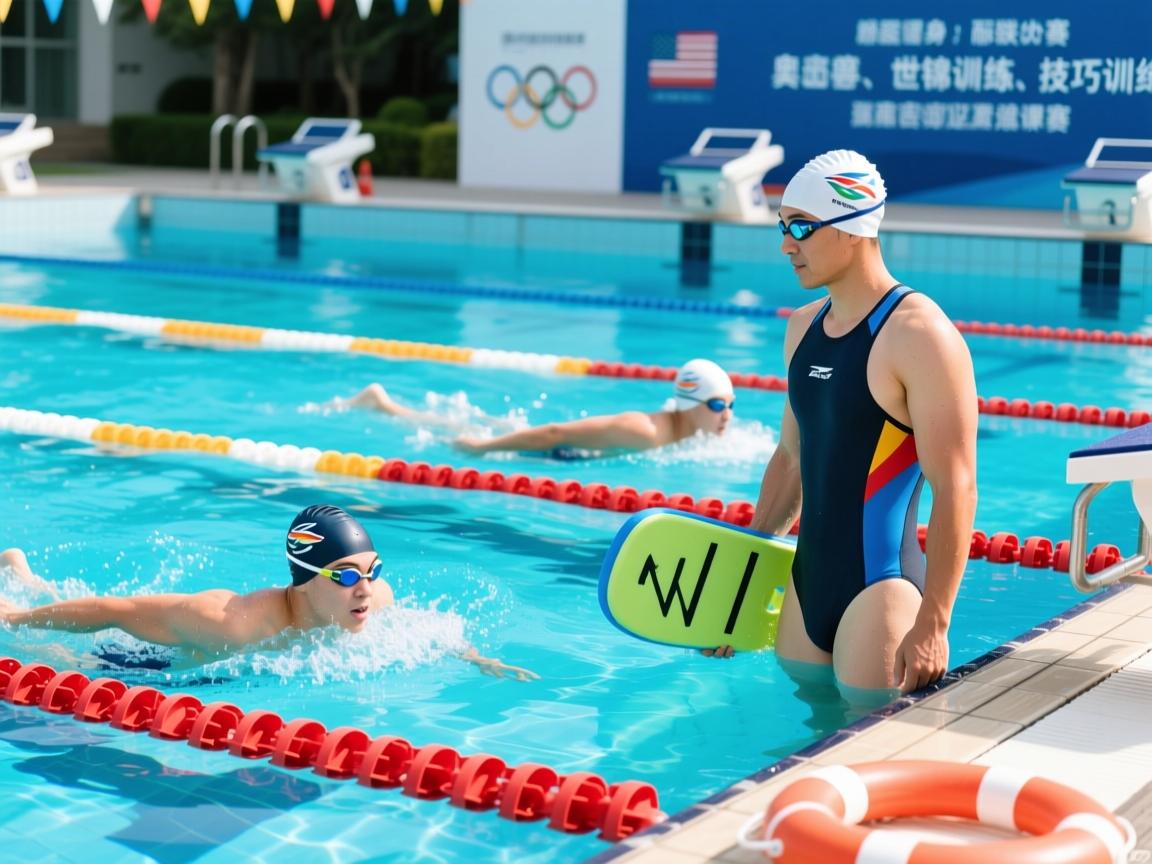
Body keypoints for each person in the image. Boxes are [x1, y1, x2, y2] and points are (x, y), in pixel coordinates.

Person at [707, 150, 977, 701]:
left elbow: (957, 486)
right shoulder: (802, 328)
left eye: (802, 227)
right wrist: (741, 588)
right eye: (783, 227)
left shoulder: (919, 334)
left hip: (879, 593)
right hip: (807, 592)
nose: (786, 244)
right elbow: (790, 459)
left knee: (867, 748)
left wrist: (934, 624)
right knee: (800, 747)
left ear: (853, 228)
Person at [0, 505, 537, 681]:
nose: (367, 589)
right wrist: (18, 619)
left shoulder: (375, 599)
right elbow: (112, 611)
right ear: (305, 580)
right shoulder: (229, 620)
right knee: (69, 663)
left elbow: (429, 631)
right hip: (148, 661)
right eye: (347, 576)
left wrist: (476, 658)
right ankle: (22, 589)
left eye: (372, 570)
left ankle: (22, 572)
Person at [339, 358, 736, 458]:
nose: (726, 416)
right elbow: (556, 434)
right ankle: (385, 406)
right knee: (463, 433)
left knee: (474, 421)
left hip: (571, 447)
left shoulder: (691, 430)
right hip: (558, 450)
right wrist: (484, 448)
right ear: (689, 404)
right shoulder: (644, 432)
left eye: (731, 405)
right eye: (717, 405)